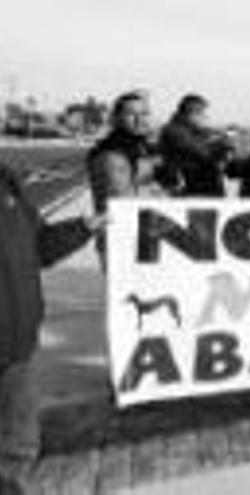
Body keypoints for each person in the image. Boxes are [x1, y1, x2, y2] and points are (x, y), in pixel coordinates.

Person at [0, 164, 105, 492]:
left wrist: (84, 227)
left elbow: (41, 246)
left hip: (17, 338)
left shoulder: (9, 184)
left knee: (18, 440)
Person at [87, 91, 164, 270]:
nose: (140, 119)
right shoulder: (111, 154)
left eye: (144, 114)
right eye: (131, 114)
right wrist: (160, 190)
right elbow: (122, 202)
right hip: (120, 242)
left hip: (141, 238)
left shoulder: (138, 147)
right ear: (117, 118)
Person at [158, 94, 231, 197]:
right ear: (192, 114)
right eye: (202, 114)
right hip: (191, 190)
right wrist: (222, 145)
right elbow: (202, 152)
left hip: (198, 188)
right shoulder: (175, 132)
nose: (206, 118)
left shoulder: (190, 130)